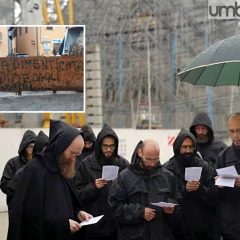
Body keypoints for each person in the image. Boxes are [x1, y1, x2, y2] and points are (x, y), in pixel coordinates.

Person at [7, 120, 92, 240]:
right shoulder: (34, 170)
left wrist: (78, 213)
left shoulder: (63, 168)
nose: (74, 160)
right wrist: (62, 224)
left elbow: (67, 203)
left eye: (78, 155)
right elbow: (29, 217)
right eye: (73, 154)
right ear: (60, 147)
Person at [108, 139, 178, 240]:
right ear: (140, 153)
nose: (152, 164)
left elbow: (177, 202)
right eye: (148, 159)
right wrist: (140, 212)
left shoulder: (168, 176)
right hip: (133, 235)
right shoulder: (124, 177)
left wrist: (172, 209)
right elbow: (114, 207)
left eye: (156, 160)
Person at [75, 124, 129, 240]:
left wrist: (119, 186)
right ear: (99, 145)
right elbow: (78, 195)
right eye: (105, 146)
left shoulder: (123, 164)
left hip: (118, 226)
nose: (108, 150)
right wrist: (94, 187)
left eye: (112, 146)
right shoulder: (86, 165)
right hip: (96, 226)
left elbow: (131, 193)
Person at [164, 128, 219, 240]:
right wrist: (184, 190)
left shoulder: (205, 167)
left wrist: (200, 189)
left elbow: (215, 196)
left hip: (202, 230)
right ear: (177, 148)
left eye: (190, 147)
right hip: (176, 230)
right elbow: (165, 198)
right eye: (184, 147)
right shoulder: (167, 169)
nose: (188, 150)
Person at [215, 112, 240, 240]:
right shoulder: (223, 156)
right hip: (230, 226)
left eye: (239, 130)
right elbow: (215, 193)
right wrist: (218, 184)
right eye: (232, 131)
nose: (236, 136)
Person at [0, 129, 37, 208]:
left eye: (35, 146)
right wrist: (23, 170)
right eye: (30, 146)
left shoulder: (40, 164)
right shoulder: (12, 163)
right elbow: (4, 186)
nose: (33, 150)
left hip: (35, 209)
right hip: (17, 209)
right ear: (24, 147)